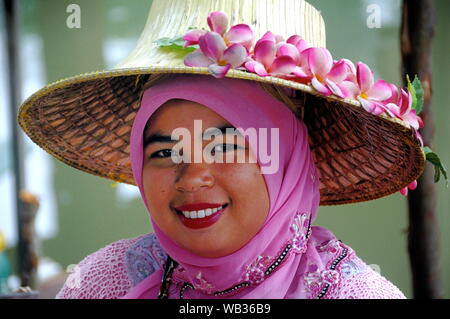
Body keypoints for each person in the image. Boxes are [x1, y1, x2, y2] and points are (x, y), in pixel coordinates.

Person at [18, 0, 427, 299]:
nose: (193, 176)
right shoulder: (102, 283)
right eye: (164, 152)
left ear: (287, 161)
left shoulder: (353, 294)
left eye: (226, 147)